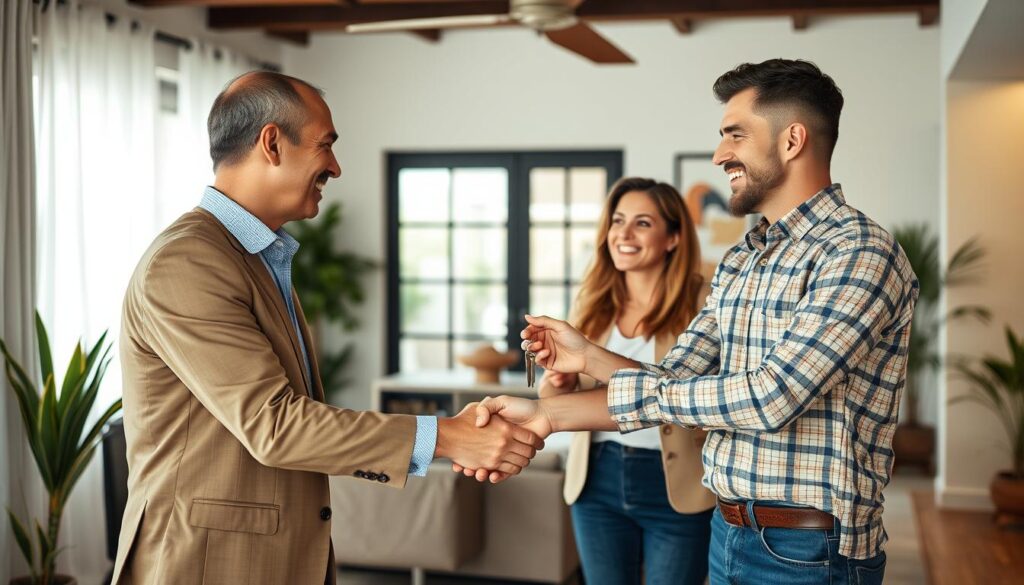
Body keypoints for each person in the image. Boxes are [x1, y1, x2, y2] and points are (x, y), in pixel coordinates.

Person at [463, 59, 919, 585]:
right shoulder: (743, 259)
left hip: (808, 548)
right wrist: (566, 383)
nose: (720, 153)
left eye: (735, 135)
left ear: (792, 141)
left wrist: (559, 410)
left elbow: (770, 398)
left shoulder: (859, 251)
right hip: (728, 530)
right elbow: (673, 381)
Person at [112, 71, 543, 585]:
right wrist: (447, 438)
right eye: (326, 146)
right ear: (272, 143)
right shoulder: (187, 262)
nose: (335, 167)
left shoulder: (255, 256)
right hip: (205, 564)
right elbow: (276, 426)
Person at [537, 177, 714, 585]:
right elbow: (554, 392)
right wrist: (557, 383)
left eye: (642, 223)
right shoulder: (592, 300)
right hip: (596, 477)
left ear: (672, 238)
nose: (624, 234)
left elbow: (699, 392)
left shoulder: (703, 300)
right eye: (618, 221)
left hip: (676, 481)